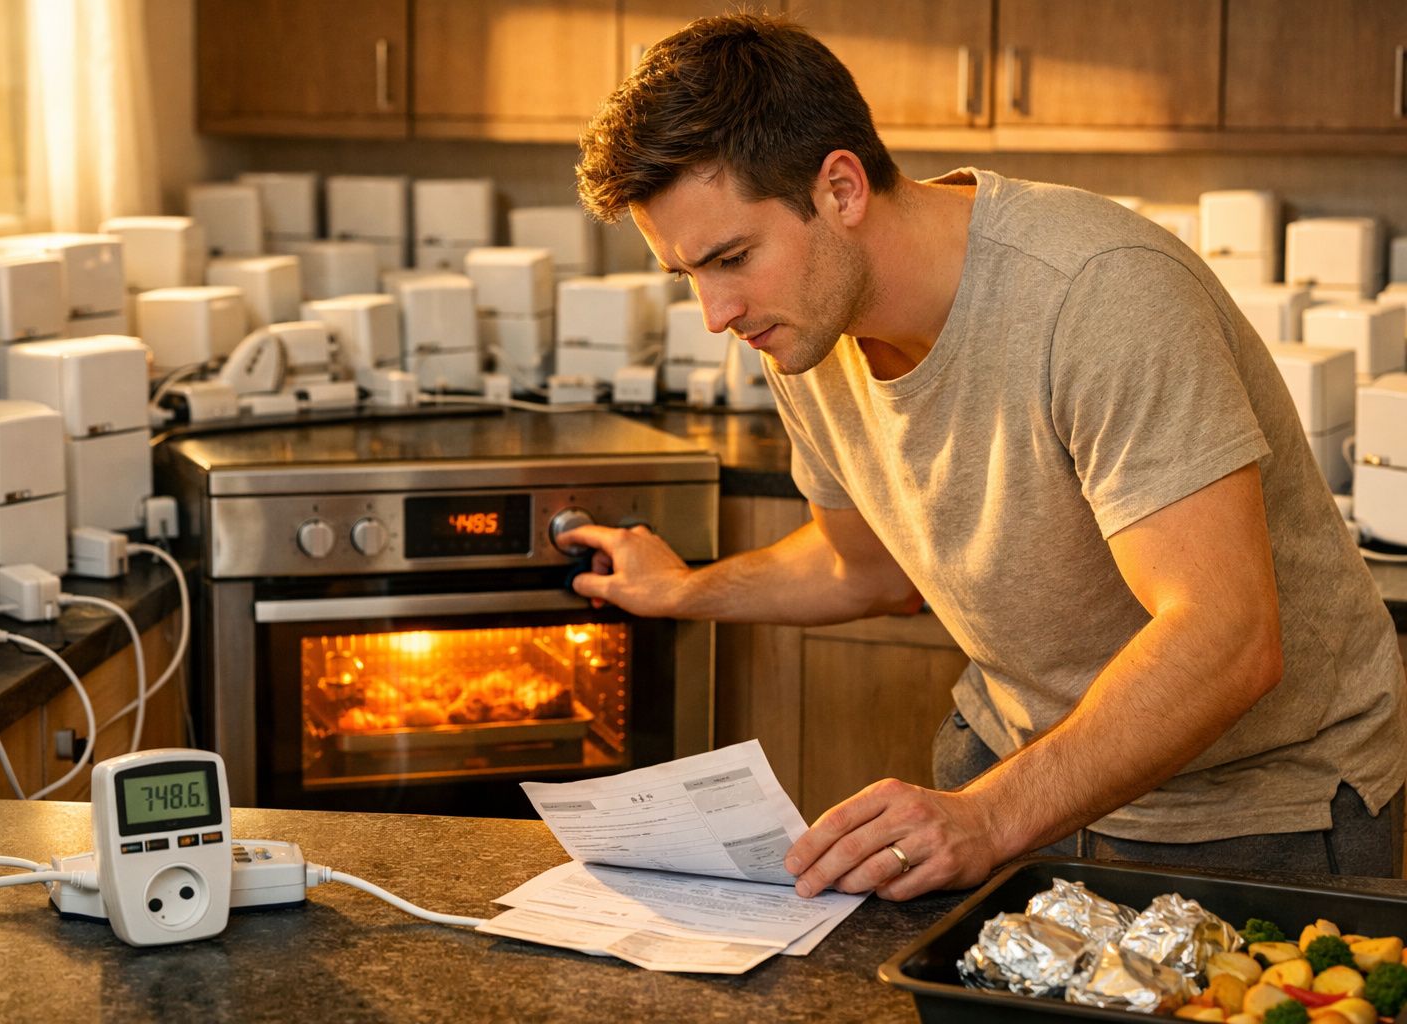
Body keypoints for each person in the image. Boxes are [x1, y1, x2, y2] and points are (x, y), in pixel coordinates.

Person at [560, 12, 1407, 902]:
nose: (716, 313)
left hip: (1255, 808)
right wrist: (685, 588)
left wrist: (989, 818)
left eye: (730, 258)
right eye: (689, 274)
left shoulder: (1095, 293)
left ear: (841, 189)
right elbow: (870, 569)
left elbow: (1227, 638)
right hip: (1011, 760)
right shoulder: (803, 324)